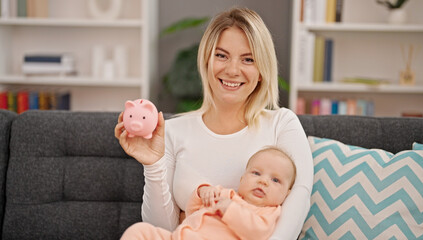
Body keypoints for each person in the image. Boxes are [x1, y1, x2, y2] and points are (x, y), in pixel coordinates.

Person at [115, 7, 313, 240]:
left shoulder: (282, 123)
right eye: (221, 55)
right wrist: (153, 165)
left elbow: (299, 197)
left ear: (261, 71)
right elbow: (164, 229)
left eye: (248, 59)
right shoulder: (173, 131)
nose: (232, 70)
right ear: (207, 60)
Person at [120, 147, 297, 240]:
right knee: (140, 231)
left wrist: (231, 210)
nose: (263, 181)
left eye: (275, 180)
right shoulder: (224, 194)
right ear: (242, 179)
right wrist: (202, 192)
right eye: (256, 173)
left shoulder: (268, 212)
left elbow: (258, 233)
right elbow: (192, 211)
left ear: (286, 194)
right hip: (177, 237)